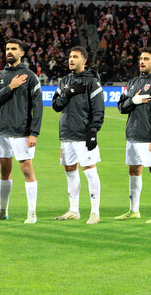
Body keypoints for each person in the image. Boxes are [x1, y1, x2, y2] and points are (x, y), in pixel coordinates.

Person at [0, 39, 43, 224]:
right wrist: (10, 87)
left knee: (27, 170)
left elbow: (38, 107)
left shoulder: (30, 76)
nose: (9, 51)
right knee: (4, 171)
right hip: (3, 131)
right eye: (7, 49)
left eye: (13, 49)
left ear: (22, 53)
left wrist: (34, 132)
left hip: (22, 132)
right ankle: (3, 211)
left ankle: (32, 213)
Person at [116, 47, 151, 224]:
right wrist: (132, 101)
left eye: (146, 59)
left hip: (148, 137)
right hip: (132, 135)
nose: (142, 61)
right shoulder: (132, 83)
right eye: (141, 58)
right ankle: (134, 211)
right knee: (133, 171)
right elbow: (121, 107)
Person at [52, 46, 104, 224]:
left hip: (83, 135)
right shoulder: (65, 80)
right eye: (69, 56)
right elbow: (56, 105)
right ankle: (74, 210)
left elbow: (99, 109)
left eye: (75, 57)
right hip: (66, 134)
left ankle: (95, 212)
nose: (71, 60)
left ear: (84, 61)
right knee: (70, 171)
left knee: (90, 171)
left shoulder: (92, 81)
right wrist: (67, 92)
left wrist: (93, 131)